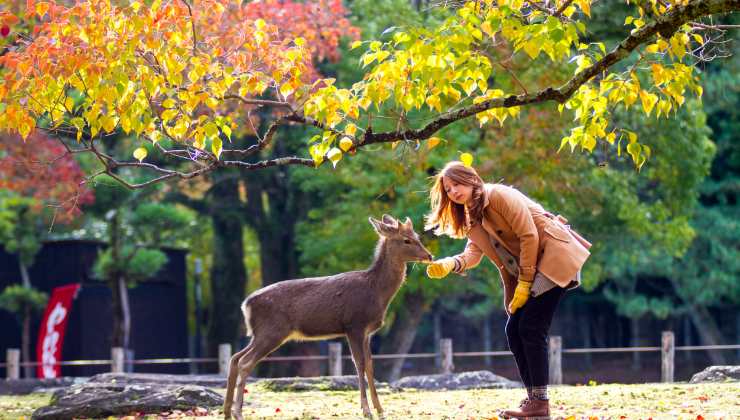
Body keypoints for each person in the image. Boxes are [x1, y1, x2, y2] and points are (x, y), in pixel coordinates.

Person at [424, 161, 591, 419]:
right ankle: (534, 401)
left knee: (531, 328)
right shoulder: (472, 215)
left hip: (553, 256)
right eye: (447, 189)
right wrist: (451, 263)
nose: (453, 192)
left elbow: (529, 236)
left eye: (456, 184)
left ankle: (540, 403)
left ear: (470, 179)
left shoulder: (498, 196)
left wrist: (524, 283)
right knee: (514, 330)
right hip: (532, 268)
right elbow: (474, 252)